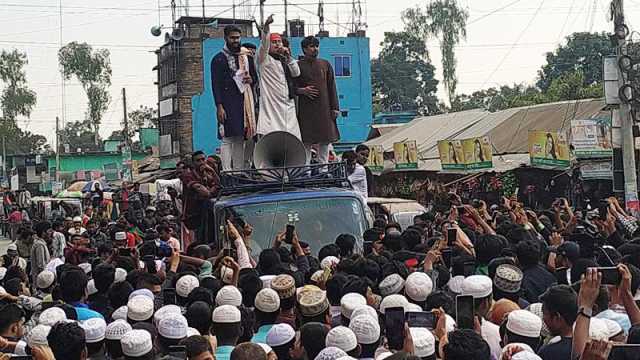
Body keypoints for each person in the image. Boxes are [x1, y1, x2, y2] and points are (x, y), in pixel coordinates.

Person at [212, 24, 257, 171]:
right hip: (227, 102)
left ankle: (238, 172)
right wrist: (219, 106)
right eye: (232, 38)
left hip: (244, 102)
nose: (236, 41)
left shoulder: (246, 57)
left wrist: (251, 79)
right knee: (227, 138)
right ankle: (227, 172)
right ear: (226, 38)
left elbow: (255, 78)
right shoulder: (218, 59)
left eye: (238, 38)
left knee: (239, 137)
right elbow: (216, 85)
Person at [295, 35, 340, 165]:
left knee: (325, 140)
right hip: (306, 109)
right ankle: (305, 171)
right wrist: (302, 91)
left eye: (317, 46)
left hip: (325, 108)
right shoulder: (298, 66)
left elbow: (332, 86)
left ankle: (323, 169)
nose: (315, 49)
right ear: (304, 49)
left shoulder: (325, 64)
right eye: (311, 46)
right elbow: (291, 86)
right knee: (306, 141)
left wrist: (335, 107)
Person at [256, 15, 302, 140]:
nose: (277, 44)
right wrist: (266, 28)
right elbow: (264, 45)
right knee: (273, 138)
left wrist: (289, 58)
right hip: (272, 105)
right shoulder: (263, 59)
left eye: (279, 42)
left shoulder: (285, 60)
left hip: (288, 104)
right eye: (274, 42)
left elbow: (296, 73)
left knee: (292, 139)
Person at [537, 285, 577, 360]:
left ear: (557, 318)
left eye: (544, 313)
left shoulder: (549, 353)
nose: (543, 318)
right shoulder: (582, 346)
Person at [30, 222, 51, 287]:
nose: (50, 233)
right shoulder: (39, 245)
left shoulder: (41, 243)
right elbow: (41, 265)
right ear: (43, 232)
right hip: (41, 279)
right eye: (49, 231)